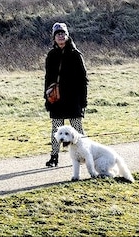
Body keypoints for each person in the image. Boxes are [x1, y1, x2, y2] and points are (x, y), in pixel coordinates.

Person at [43, 22, 88, 168]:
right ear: (54, 38)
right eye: (57, 34)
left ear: (67, 36)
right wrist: (47, 98)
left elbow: (83, 79)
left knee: (77, 129)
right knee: (56, 129)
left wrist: (83, 100)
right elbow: (48, 78)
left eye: (63, 33)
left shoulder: (76, 54)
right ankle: (54, 157)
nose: (60, 36)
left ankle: (85, 154)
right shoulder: (51, 55)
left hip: (73, 99)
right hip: (56, 99)